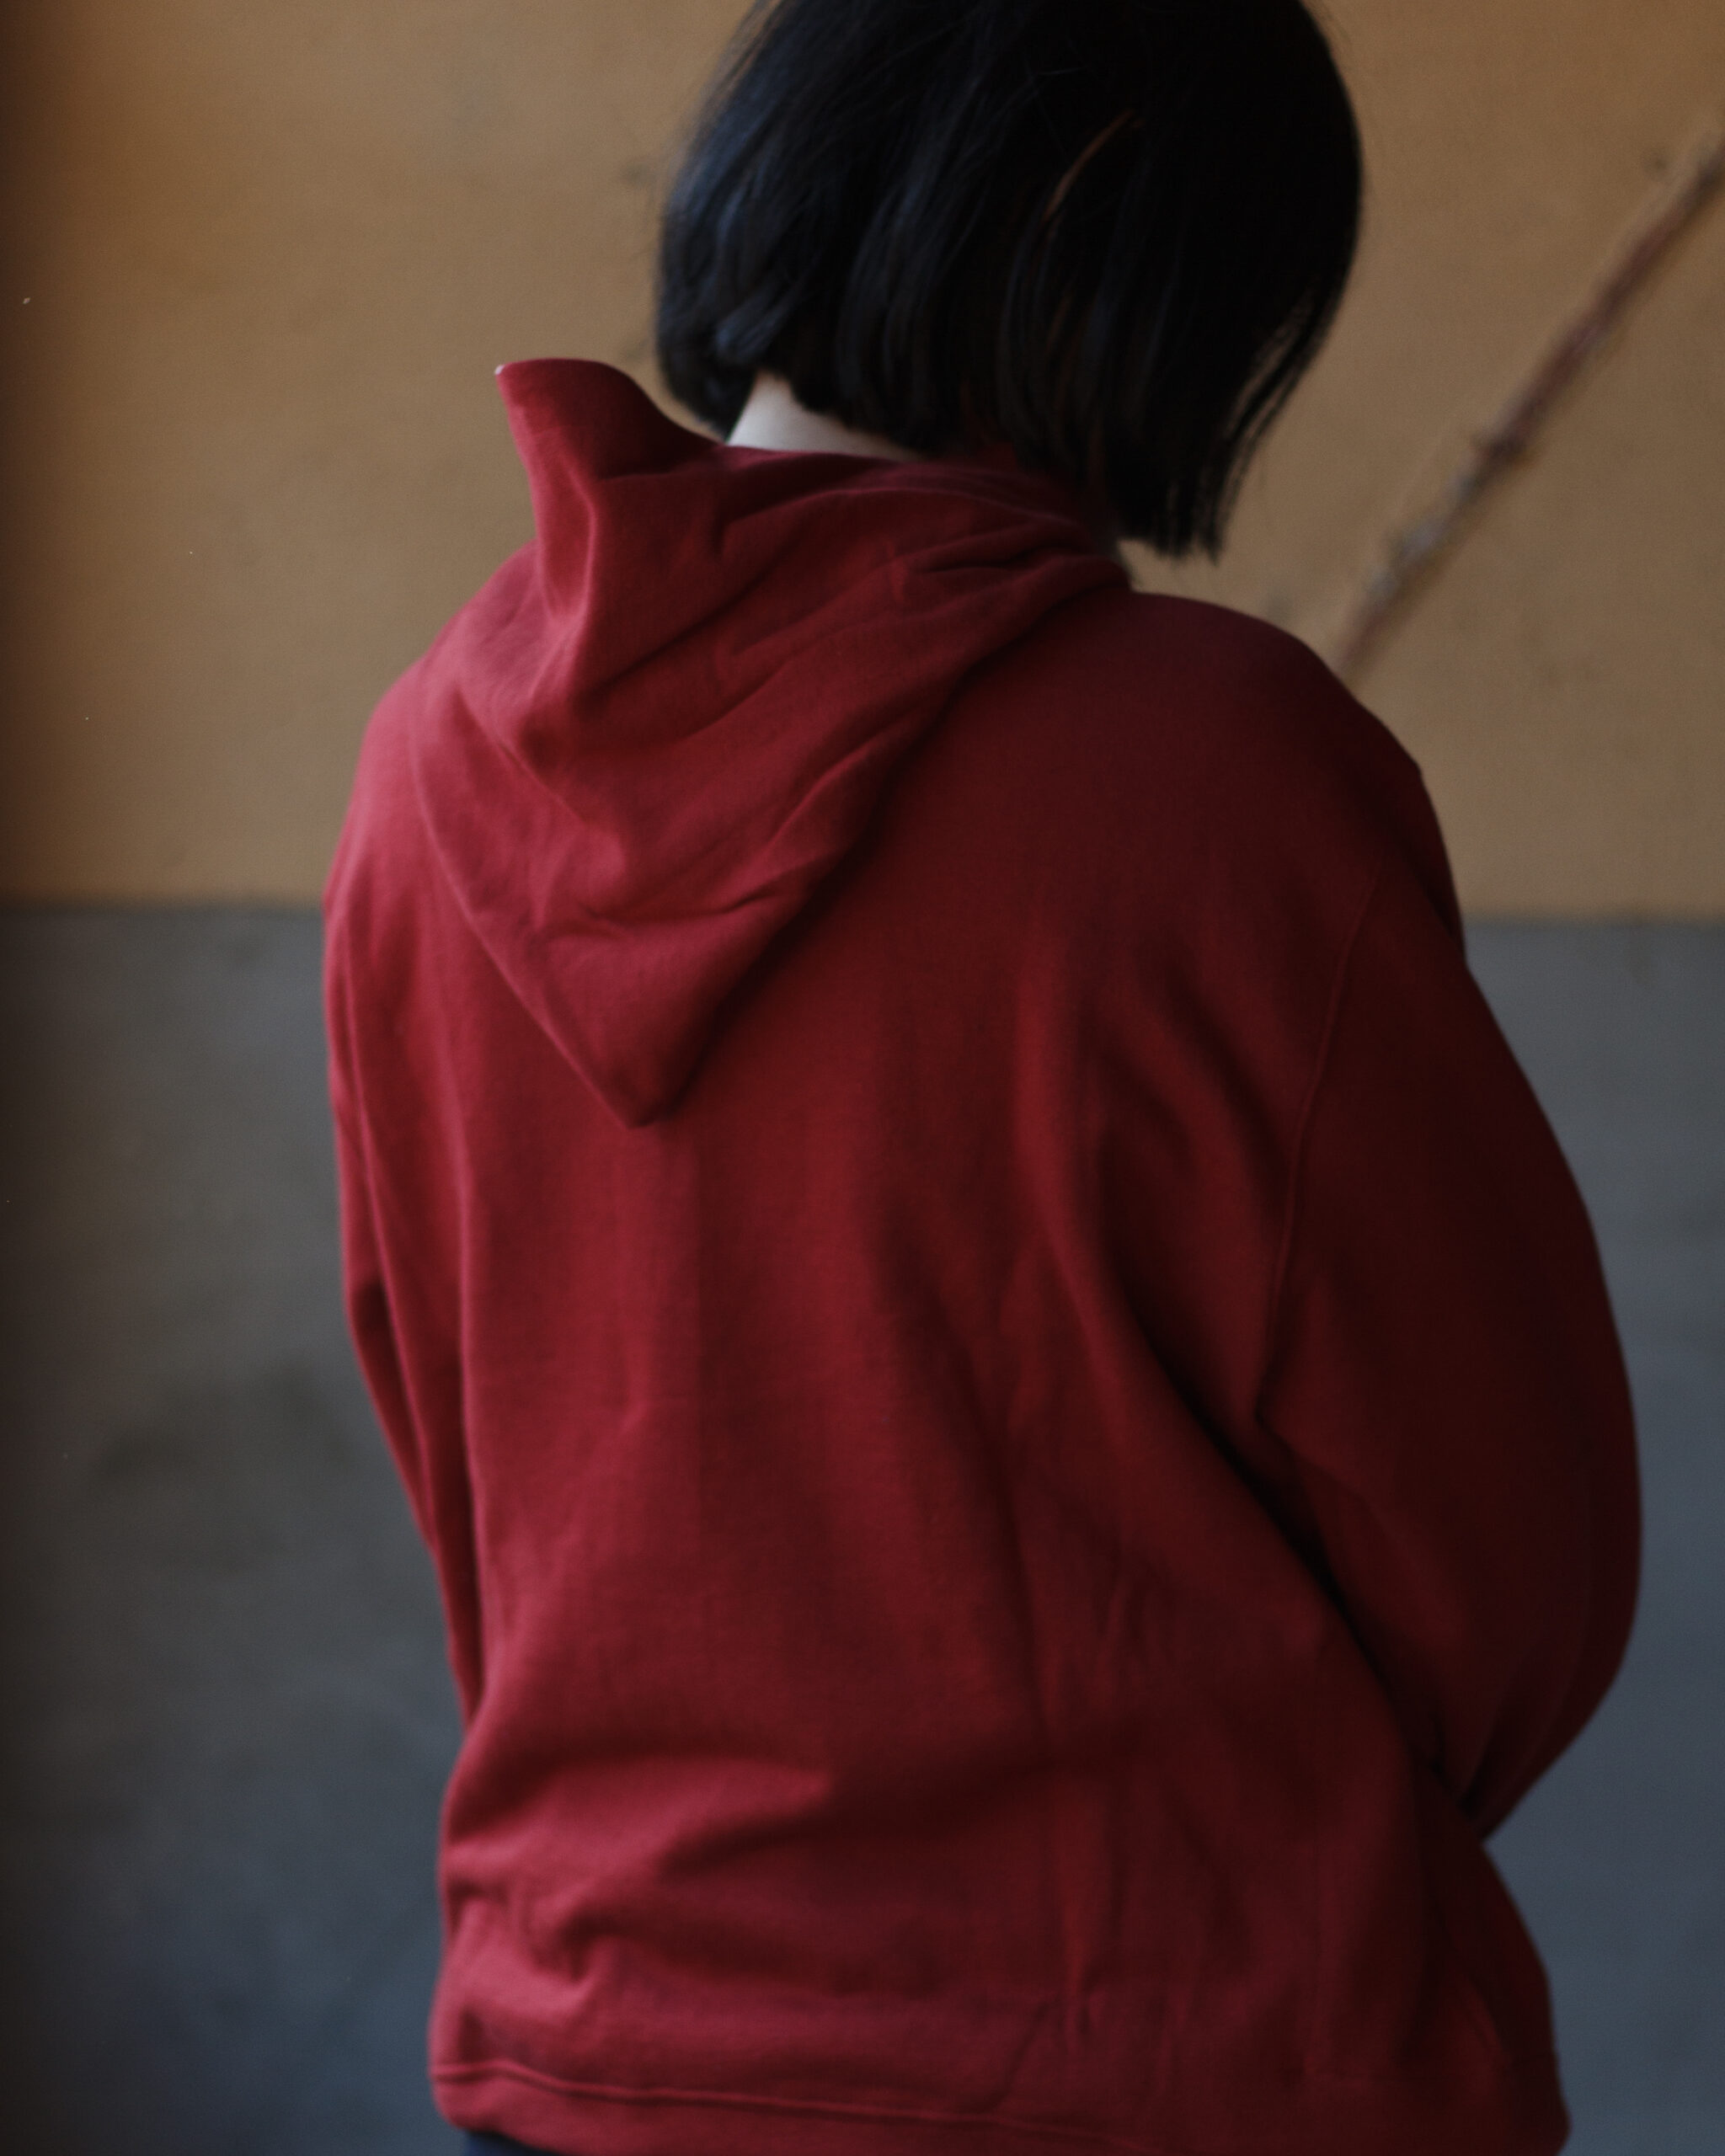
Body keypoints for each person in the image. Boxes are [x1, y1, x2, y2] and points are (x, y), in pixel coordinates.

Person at [323, 0, 1640, 2151]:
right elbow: (1506, 1540)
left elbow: (462, 1443)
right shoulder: (1213, 768)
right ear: (1143, 270)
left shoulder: (419, 767)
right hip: (1182, 2055)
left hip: (596, 2033)